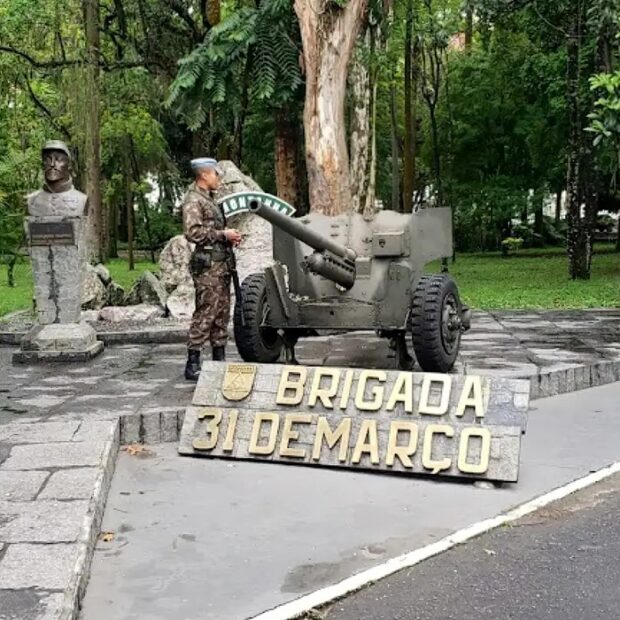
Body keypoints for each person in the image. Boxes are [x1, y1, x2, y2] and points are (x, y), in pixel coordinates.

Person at [182, 158, 242, 381]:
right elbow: (193, 232)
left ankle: (219, 358)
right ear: (205, 174)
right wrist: (222, 235)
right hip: (208, 267)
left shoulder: (210, 200)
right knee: (206, 312)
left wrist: (228, 237)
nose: (218, 178)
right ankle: (193, 363)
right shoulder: (193, 200)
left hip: (221, 265)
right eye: (216, 174)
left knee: (221, 313)